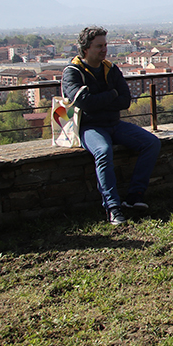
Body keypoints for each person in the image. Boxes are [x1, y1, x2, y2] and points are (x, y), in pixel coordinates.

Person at [62, 27, 161, 225]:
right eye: (99, 46)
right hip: (90, 128)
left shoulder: (111, 69)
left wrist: (100, 99)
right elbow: (84, 103)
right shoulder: (72, 72)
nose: (104, 50)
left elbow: (125, 101)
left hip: (114, 124)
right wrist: (112, 95)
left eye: (105, 45)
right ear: (85, 48)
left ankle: (135, 197)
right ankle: (113, 208)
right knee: (103, 152)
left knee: (151, 143)